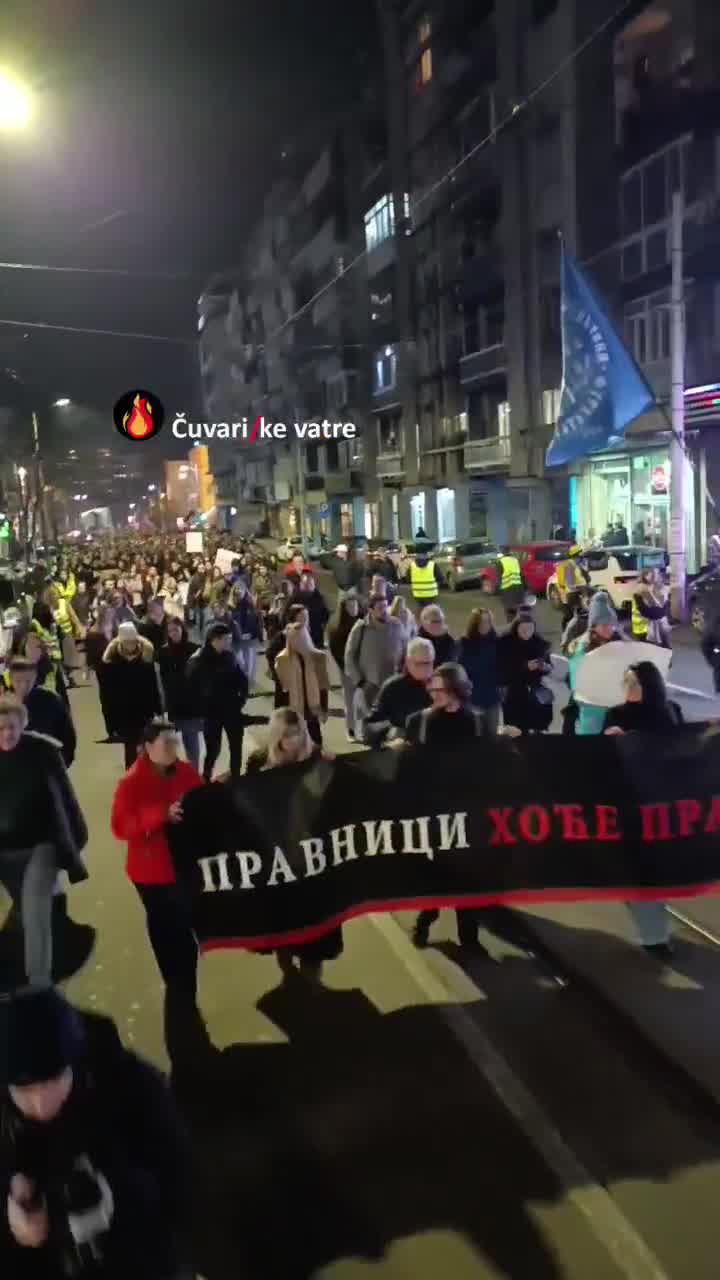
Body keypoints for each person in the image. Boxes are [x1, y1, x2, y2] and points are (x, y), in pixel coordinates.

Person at [0, 986, 188, 1278]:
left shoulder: (135, 1088)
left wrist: (117, 1194)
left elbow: (180, 1188)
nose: (40, 1104)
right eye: (24, 1089)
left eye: (52, 1080)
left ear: (76, 1061)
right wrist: (13, 1216)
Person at [246, 708, 342, 983]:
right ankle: (286, 962)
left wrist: (335, 768)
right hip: (277, 852)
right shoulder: (259, 760)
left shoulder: (317, 758)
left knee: (314, 917)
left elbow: (333, 798)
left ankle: (313, 975)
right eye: (287, 734)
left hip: (312, 853)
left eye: (298, 732)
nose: (294, 739)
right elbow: (247, 799)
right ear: (276, 736)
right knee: (283, 914)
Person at [111, 718, 203, 996]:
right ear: (147, 747)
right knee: (163, 926)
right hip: (150, 872)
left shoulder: (185, 772)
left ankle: (185, 976)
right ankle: (173, 978)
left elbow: (199, 798)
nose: (174, 747)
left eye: (175, 741)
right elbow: (121, 827)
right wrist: (161, 815)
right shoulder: (131, 782)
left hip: (182, 865)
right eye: (167, 742)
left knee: (185, 928)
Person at [0, 695, 87, 986]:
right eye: (0, 728)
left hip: (42, 844)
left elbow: (65, 800)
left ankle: (39, 982)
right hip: (5, 850)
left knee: (35, 906)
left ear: (22, 725)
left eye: (11, 727)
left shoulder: (43, 753)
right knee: (24, 909)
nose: (6, 734)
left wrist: (75, 840)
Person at [408, 664, 493, 953]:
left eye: (439, 690)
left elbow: (490, 759)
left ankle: (469, 939)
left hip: (468, 810)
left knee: (468, 879)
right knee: (438, 875)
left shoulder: (478, 721)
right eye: (431, 690)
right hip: (437, 809)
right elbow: (418, 762)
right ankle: (424, 920)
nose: (433, 695)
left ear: (456, 690)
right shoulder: (426, 721)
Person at [604, 663, 683, 960]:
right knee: (633, 874)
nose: (628, 687)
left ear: (649, 685)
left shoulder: (668, 712)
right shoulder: (615, 714)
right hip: (628, 803)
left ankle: (655, 933)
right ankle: (653, 931)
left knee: (652, 873)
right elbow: (600, 760)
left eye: (634, 682)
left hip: (658, 804)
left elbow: (681, 752)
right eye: (625, 681)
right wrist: (608, 742)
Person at [186, 622, 249, 781]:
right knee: (213, 749)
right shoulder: (198, 660)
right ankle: (206, 778)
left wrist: (242, 698)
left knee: (236, 747)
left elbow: (242, 678)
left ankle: (236, 778)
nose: (228, 643)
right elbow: (192, 688)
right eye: (226, 639)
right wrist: (201, 708)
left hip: (232, 710)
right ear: (214, 639)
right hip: (211, 714)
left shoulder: (229, 656)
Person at [102, 622, 162, 768]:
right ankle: (133, 781)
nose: (131, 645)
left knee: (147, 749)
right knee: (130, 752)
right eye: (128, 642)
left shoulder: (146, 659)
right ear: (121, 642)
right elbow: (107, 696)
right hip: (125, 716)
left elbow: (153, 688)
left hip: (145, 713)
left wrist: (159, 711)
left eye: (133, 641)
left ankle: (147, 780)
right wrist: (111, 724)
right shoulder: (111, 664)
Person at [567, 591, 626, 735]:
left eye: (611, 624)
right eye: (603, 625)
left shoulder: (619, 641)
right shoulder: (583, 648)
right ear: (593, 626)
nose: (609, 628)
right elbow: (579, 684)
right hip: (594, 711)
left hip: (618, 708)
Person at [344, 593, 406, 727]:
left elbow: (407, 649)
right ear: (370, 610)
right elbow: (349, 656)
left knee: (393, 722)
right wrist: (360, 682)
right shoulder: (361, 628)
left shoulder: (396, 625)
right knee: (371, 724)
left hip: (393, 684)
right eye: (380, 608)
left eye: (385, 606)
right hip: (370, 685)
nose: (384, 611)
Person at [4, 657, 76, 768]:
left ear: (35, 677)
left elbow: (67, 734)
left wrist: (62, 762)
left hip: (47, 767)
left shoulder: (51, 701)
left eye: (28, 681)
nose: (23, 686)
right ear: (10, 678)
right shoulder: (3, 704)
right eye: (18, 681)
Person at [364, 636, 434, 746]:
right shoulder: (393, 687)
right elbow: (370, 727)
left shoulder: (442, 685)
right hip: (404, 753)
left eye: (428, 663)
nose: (425, 669)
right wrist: (390, 731)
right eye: (419, 664)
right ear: (408, 662)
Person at [274, 609, 330, 746]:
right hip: (294, 706)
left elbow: (323, 685)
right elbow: (281, 689)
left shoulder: (317, 658)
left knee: (315, 738)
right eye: (295, 638)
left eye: (302, 638)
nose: (299, 641)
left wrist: (323, 708)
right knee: (296, 741)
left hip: (312, 705)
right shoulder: (283, 660)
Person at [158, 619, 202, 771]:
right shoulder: (163, 652)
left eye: (176, 630)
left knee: (191, 743)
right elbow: (161, 680)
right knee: (169, 744)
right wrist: (162, 705)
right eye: (170, 631)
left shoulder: (194, 650)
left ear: (182, 630)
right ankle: (171, 776)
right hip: (173, 705)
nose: (173, 634)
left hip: (191, 705)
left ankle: (194, 774)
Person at [498, 613, 553, 734]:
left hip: (535, 691)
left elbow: (549, 666)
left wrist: (545, 667)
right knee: (515, 730)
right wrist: (524, 666)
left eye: (530, 629)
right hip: (512, 691)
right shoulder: (505, 643)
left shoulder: (540, 643)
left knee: (538, 727)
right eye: (523, 629)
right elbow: (502, 668)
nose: (527, 632)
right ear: (516, 628)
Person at [458, 608, 502, 734]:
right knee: (475, 737)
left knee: (492, 736)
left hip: (492, 699)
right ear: (474, 624)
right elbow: (460, 672)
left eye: (488, 621)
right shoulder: (464, 643)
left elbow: (502, 669)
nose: (485, 625)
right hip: (472, 700)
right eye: (482, 622)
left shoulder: (497, 642)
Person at [327, 592, 363, 741]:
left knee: (362, 701)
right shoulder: (337, 627)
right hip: (347, 669)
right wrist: (346, 668)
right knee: (349, 701)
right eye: (350, 605)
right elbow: (335, 650)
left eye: (355, 604)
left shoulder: (363, 622)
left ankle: (361, 728)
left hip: (363, 668)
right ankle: (350, 730)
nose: (353, 608)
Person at [229, 578, 263, 689]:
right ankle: (242, 679)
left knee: (250, 660)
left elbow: (254, 620)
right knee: (238, 659)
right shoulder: (231, 605)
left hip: (249, 637)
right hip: (236, 638)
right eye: (236, 589)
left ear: (245, 591)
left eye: (240, 589)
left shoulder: (249, 604)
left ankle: (248, 682)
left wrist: (253, 634)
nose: (238, 591)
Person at [631, 568, 671, 648]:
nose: (655, 576)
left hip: (655, 625)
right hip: (644, 627)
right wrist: (661, 613)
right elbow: (646, 610)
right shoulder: (641, 588)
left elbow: (664, 605)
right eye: (652, 574)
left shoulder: (657, 587)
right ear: (645, 576)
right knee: (649, 650)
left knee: (664, 648)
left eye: (657, 574)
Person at [289, 571, 330, 649]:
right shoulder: (295, 598)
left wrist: (324, 623)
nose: (308, 586)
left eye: (310, 584)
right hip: (299, 636)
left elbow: (325, 613)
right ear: (301, 585)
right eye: (306, 584)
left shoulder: (319, 598)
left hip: (316, 636)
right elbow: (287, 615)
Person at [495, 546, 525, 621]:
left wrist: (497, 591)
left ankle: (512, 628)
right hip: (518, 589)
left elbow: (499, 579)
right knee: (519, 611)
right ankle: (520, 627)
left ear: (502, 552)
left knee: (510, 613)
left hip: (507, 590)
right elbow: (521, 575)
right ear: (510, 551)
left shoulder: (500, 562)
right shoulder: (515, 560)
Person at [139, 596, 168, 661]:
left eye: (153, 607)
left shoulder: (169, 621)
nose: (150, 608)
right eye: (150, 606)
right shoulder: (144, 625)